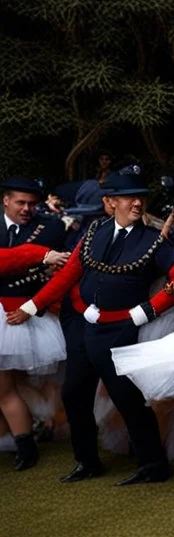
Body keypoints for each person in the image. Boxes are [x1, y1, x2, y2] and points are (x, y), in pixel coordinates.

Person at [11, 167, 174, 484]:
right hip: (87, 325)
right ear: (110, 202)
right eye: (127, 198)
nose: (136, 204)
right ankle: (87, 461)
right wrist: (32, 305)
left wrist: (147, 311)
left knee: (126, 397)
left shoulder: (152, 241)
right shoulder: (94, 231)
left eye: (139, 197)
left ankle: (153, 464)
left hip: (121, 327)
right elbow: (69, 274)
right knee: (74, 394)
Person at [0, 176, 70, 470]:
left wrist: (36, 306)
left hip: (26, 312)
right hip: (6, 313)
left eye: (32, 203)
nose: (27, 209)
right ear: (5, 200)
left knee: (12, 386)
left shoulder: (51, 227)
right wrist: (40, 255)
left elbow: (58, 275)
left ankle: (27, 444)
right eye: (20, 202)